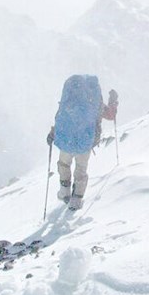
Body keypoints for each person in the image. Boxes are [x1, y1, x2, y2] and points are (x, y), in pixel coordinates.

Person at [46, 75, 118, 211]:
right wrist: (113, 101)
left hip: (67, 140)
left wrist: (52, 134)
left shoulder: (69, 102)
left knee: (63, 164)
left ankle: (65, 191)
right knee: (81, 170)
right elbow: (111, 116)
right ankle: (77, 200)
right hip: (86, 142)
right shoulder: (95, 103)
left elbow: (61, 121)